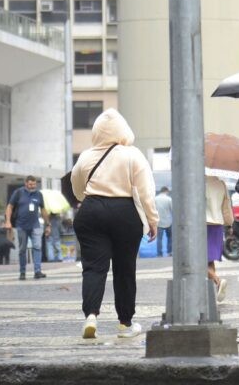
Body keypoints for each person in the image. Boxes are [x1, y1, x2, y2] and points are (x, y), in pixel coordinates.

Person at [70, 109, 158, 339]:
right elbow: (145, 191)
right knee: (124, 269)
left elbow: (77, 188)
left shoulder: (86, 156)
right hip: (124, 213)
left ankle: (91, 316)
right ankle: (125, 323)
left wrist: (91, 199)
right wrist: (152, 219)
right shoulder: (133, 155)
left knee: (93, 267)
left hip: (91, 211)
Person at [4, 176, 50, 280]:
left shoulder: (38, 194)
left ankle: (37, 271)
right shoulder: (18, 193)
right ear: (25, 183)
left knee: (37, 247)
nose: (32, 186)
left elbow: (43, 209)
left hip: (35, 225)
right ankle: (22, 272)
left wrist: (48, 224)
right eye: (30, 184)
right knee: (22, 250)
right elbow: (10, 206)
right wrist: (7, 221)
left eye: (34, 184)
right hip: (21, 226)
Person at [206, 176, 234, 303]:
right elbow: (226, 206)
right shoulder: (221, 184)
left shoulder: (195, 181)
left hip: (200, 225)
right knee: (209, 260)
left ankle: (217, 280)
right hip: (217, 225)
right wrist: (229, 224)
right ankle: (212, 292)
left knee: (195, 261)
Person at [155, 187, 173, 257]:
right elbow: (172, 210)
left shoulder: (155, 199)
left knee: (159, 239)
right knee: (170, 237)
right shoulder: (169, 199)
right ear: (166, 191)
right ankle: (169, 252)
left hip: (158, 222)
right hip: (168, 221)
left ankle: (159, 254)